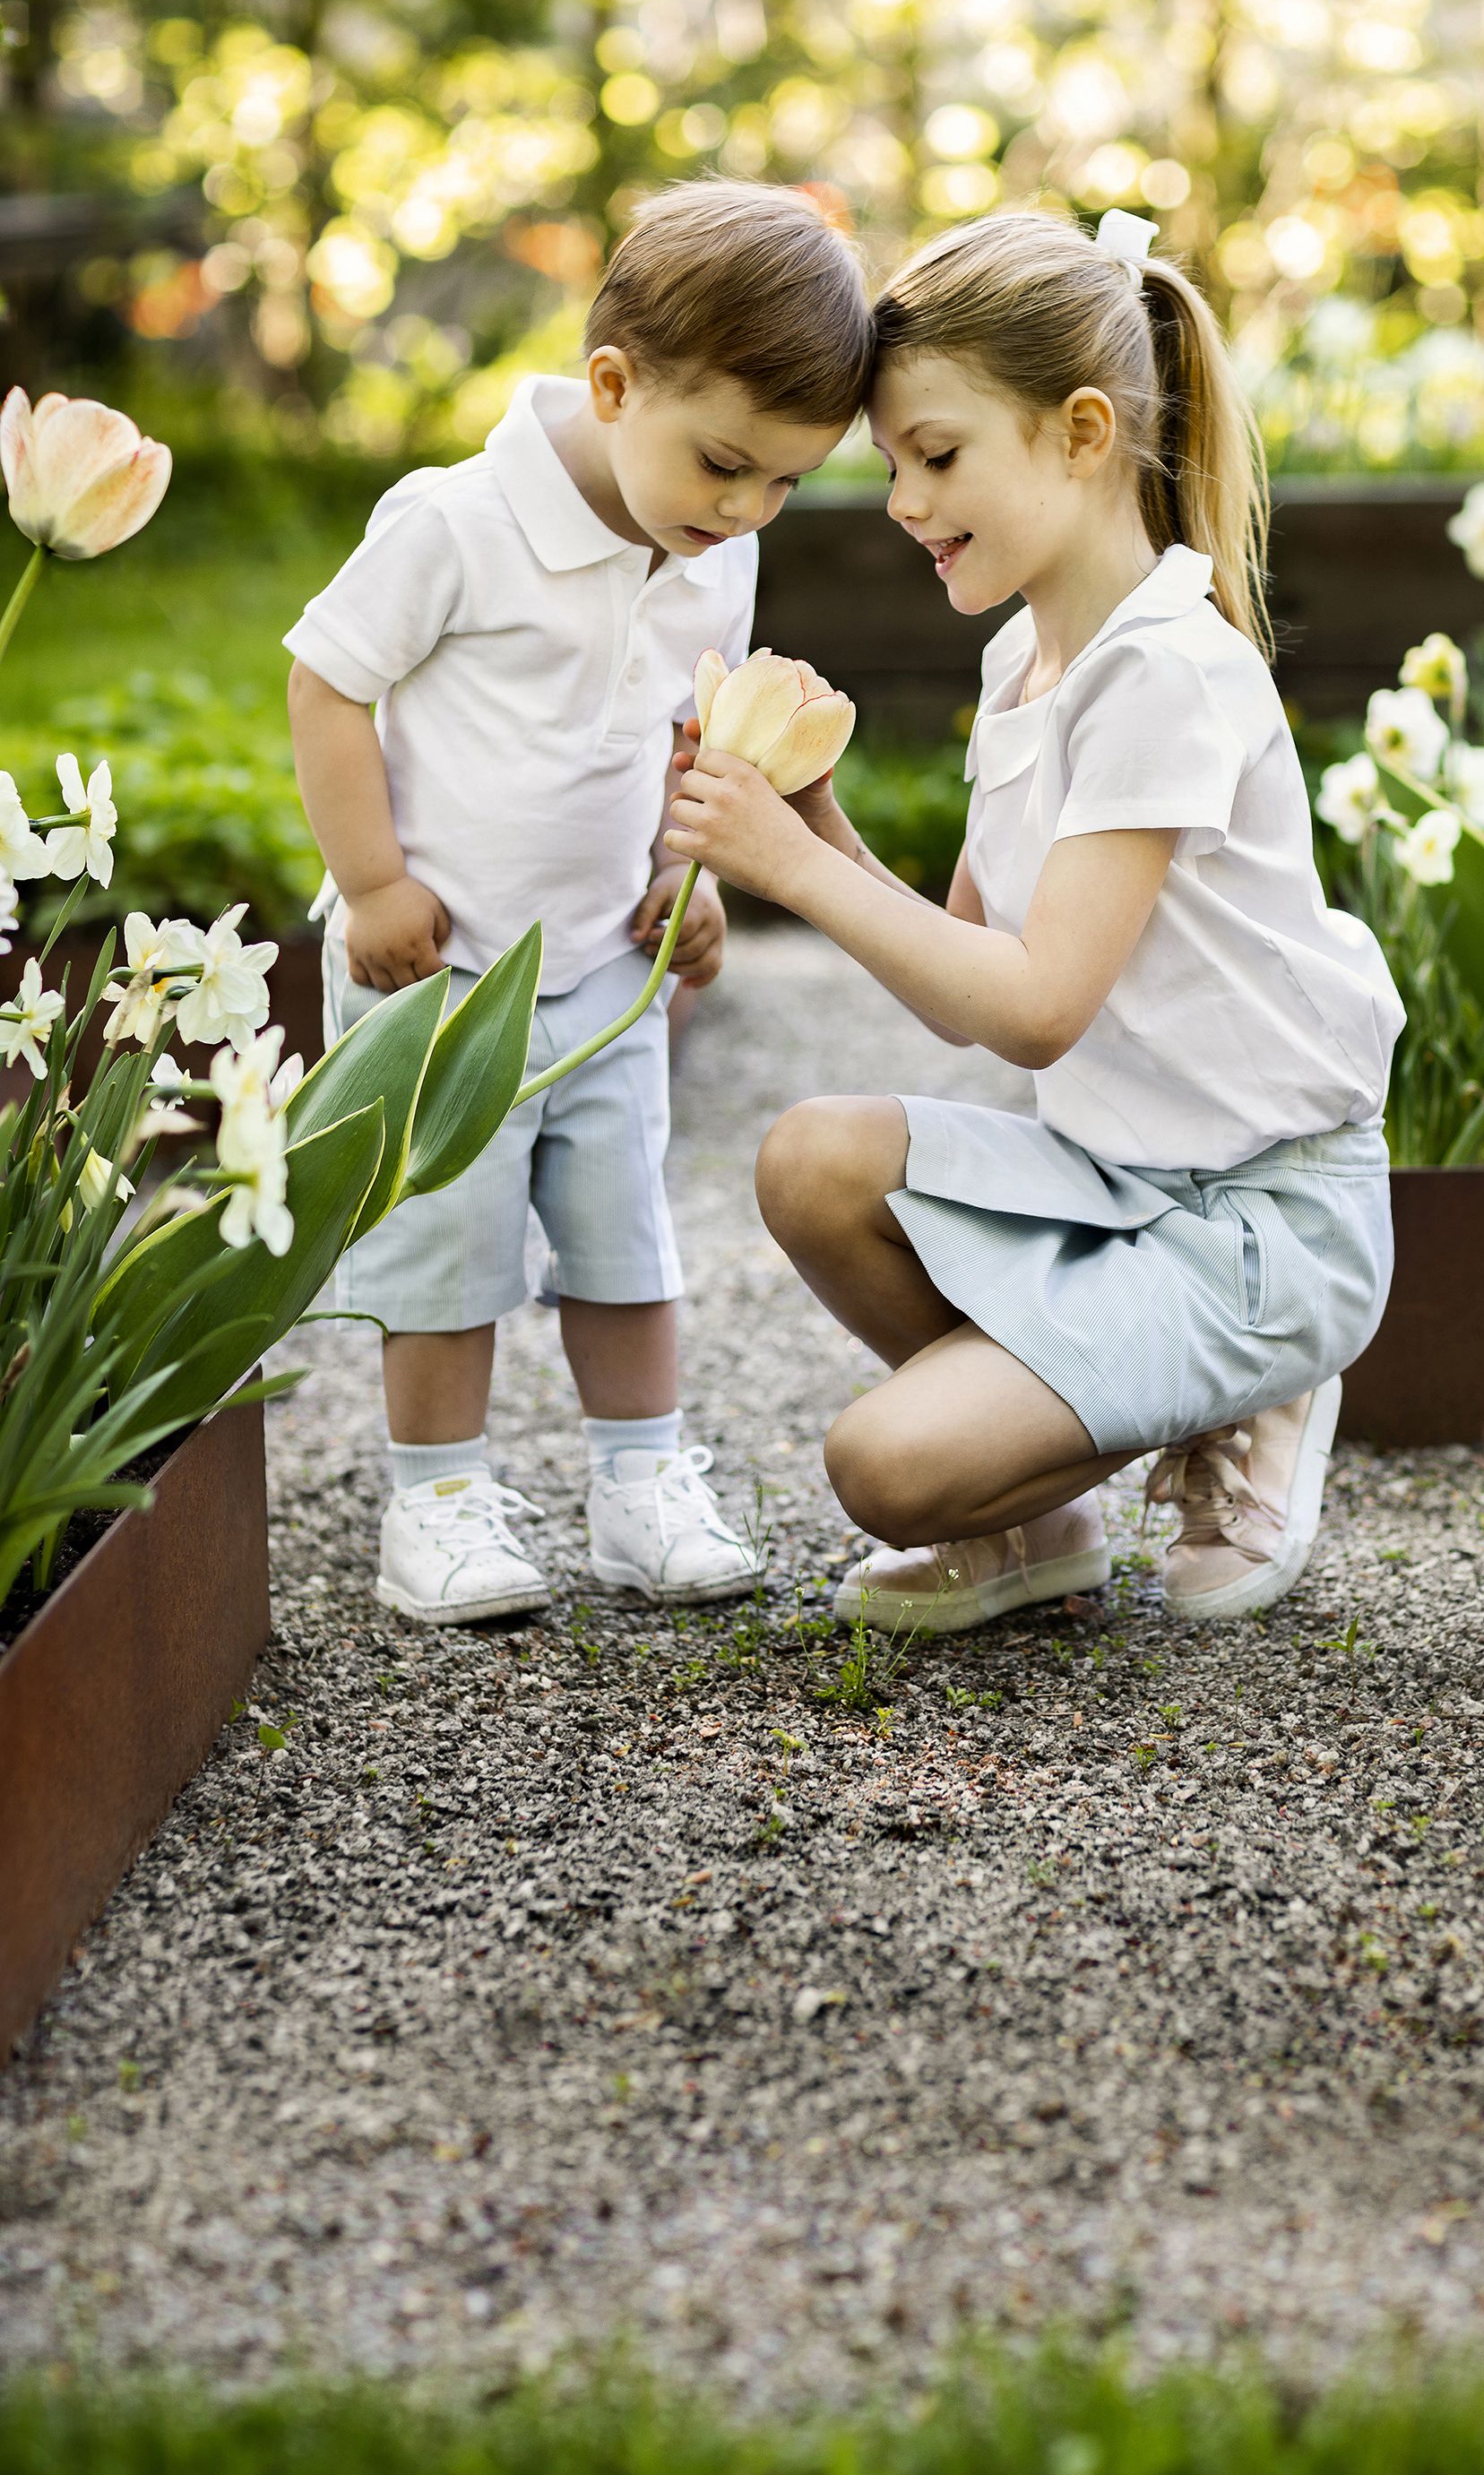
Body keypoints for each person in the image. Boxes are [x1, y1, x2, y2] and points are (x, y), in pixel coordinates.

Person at [663, 207, 1402, 1635]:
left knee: (879, 1459)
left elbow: (1038, 1003)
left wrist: (794, 869)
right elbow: (961, 974)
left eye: (936, 455)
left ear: (1079, 434)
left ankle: (1252, 1382)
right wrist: (810, 822)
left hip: (1260, 1217)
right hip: (1118, 1187)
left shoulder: (1166, 672)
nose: (900, 500)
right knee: (813, 1160)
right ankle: (1035, 1521)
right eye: (892, 465)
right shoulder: (1023, 657)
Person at [284, 180, 871, 1626]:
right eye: (726, 466)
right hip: (436, 964)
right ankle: (435, 1499)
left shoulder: (710, 550)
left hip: (608, 959)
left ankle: (640, 1482)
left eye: (784, 484)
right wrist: (370, 882)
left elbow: (688, 732)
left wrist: (681, 873)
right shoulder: (456, 521)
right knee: (446, 1241)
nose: (745, 512)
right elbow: (327, 682)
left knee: (624, 1231)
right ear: (611, 385)